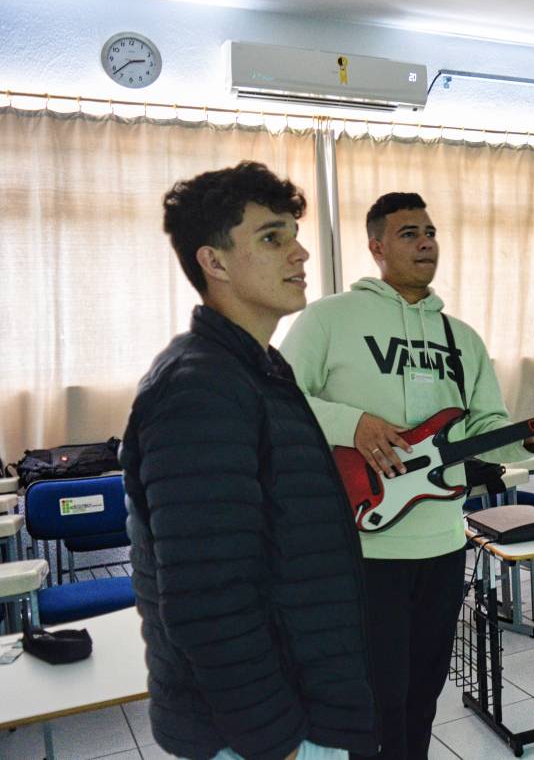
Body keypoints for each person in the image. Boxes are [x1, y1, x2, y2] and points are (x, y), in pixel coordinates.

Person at [280, 191, 534, 759]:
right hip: (362, 546)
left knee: (422, 693)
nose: (425, 243)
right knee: (374, 697)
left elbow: (484, 428)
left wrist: (533, 436)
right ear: (376, 247)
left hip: (443, 543)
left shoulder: (460, 338)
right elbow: (276, 399)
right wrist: (353, 424)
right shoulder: (329, 319)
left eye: (431, 232)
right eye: (409, 233)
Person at [120, 161, 376, 760]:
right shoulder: (200, 387)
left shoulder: (256, 370)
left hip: (297, 709)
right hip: (260, 737)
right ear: (215, 262)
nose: (300, 253)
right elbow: (208, 600)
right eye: (271, 238)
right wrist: (274, 742)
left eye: (294, 234)